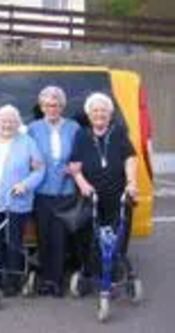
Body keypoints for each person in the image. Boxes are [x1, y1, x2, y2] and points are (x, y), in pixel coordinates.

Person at [0, 104, 45, 296]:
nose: (7, 124)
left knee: (13, 243)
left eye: (12, 121)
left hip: (16, 203)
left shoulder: (28, 143)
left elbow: (39, 170)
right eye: (4, 121)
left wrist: (25, 185)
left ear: (18, 123)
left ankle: (13, 281)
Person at [70, 92, 138, 281]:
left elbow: (130, 158)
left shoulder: (118, 132)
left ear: (110, 113)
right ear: (89, 113)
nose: (99, 114)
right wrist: (82, 184)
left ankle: (114, 271)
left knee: (118, 235)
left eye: (104, 110)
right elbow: (74, 166)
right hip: (90, 195)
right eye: (95, 110)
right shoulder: (81, 134)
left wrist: (132, 183)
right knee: (90, 236)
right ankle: (92, 272)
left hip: (117, 194)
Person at [28, 86, 80, 297]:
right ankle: (46, 279)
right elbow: (27, 155)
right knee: (43, 237)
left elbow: (80, 152)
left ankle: (56, 281)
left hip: (66, 190)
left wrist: (75, 166)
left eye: (56, 105)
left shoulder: (73, 127)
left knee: (59, 238)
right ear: (41, 107)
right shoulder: (33, 128)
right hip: (41, 191)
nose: (52, 108)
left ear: (62, 106)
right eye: (48, 105)